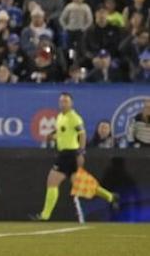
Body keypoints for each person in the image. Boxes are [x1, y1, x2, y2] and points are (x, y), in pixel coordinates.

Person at [32, 93, 118, 221]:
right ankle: (111, 197)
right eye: (61, 101)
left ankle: (45, 215)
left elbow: (82, 135)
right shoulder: (60, 116)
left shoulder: (74, 118)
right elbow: (63, 134)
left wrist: (81, 153)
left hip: (70, 154)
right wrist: (52, 136)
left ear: (71, 103)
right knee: (81, 183)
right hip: (64, 153)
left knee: (52, 181)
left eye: (66, 101)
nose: (63, 103)